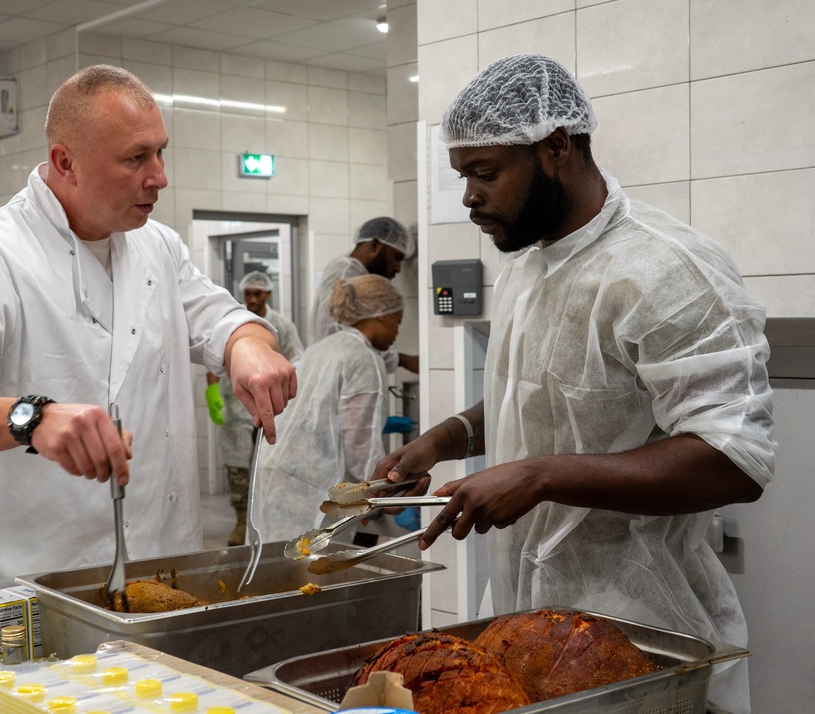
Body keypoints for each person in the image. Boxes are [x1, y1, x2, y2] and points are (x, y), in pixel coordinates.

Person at [372, 54, 774, 713]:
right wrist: (446, 438)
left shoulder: (666, 271)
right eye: (463, 175)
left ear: (556, 146)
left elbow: (735, 460)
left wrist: (539, 476)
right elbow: (539, 392)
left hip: (638, 636)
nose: (470, 196)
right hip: (526, 622)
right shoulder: (530, 268)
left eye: (484, 172)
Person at [0, 65, 296, 594]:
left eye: (161, 152)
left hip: (157, 578)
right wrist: (31, 418)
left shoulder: (157, 246)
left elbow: (226, 322)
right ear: (65, 162)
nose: (159, 176)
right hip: (23, 595)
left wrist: (248, 348)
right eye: (136, 158)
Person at [255, 274, 403, 542]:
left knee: (274, 562)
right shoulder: (364, 358)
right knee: (311, 569)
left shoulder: (323, 347)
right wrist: (385, 492)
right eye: (398, 321)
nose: (397, 333)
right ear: (381, 315)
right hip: (315, 482)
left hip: (278, 469)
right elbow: (361, 445)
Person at [205, 270, 304, 545]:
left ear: (268, 294)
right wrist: (212, 391)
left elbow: (298, 358)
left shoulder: (281, 326)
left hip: (272, 405)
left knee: (268, 464)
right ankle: (240, 523)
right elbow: (212, 359)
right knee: (238, 467)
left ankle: (265, 522)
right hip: (236, 409)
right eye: (247, 293)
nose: (252, 299)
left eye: (257, 293)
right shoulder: (232, 323)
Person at [313, 217, 419, 374]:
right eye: (396, 257)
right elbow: (334, 333)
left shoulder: (357, 274)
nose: (398, 268)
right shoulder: (346, 273)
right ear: (375, 245)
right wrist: (402, 360)